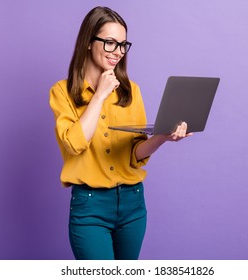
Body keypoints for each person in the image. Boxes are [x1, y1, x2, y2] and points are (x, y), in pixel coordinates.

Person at [49, 6, 192, 260]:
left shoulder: (131, 91)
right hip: (90, 206)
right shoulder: (62, 92)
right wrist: (101, 93)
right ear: (87, 43)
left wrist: (162, 137)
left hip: (133, 204)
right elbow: (75, 143)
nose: (118, 52)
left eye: (123, 45)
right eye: (110, 43)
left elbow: (135, 154)